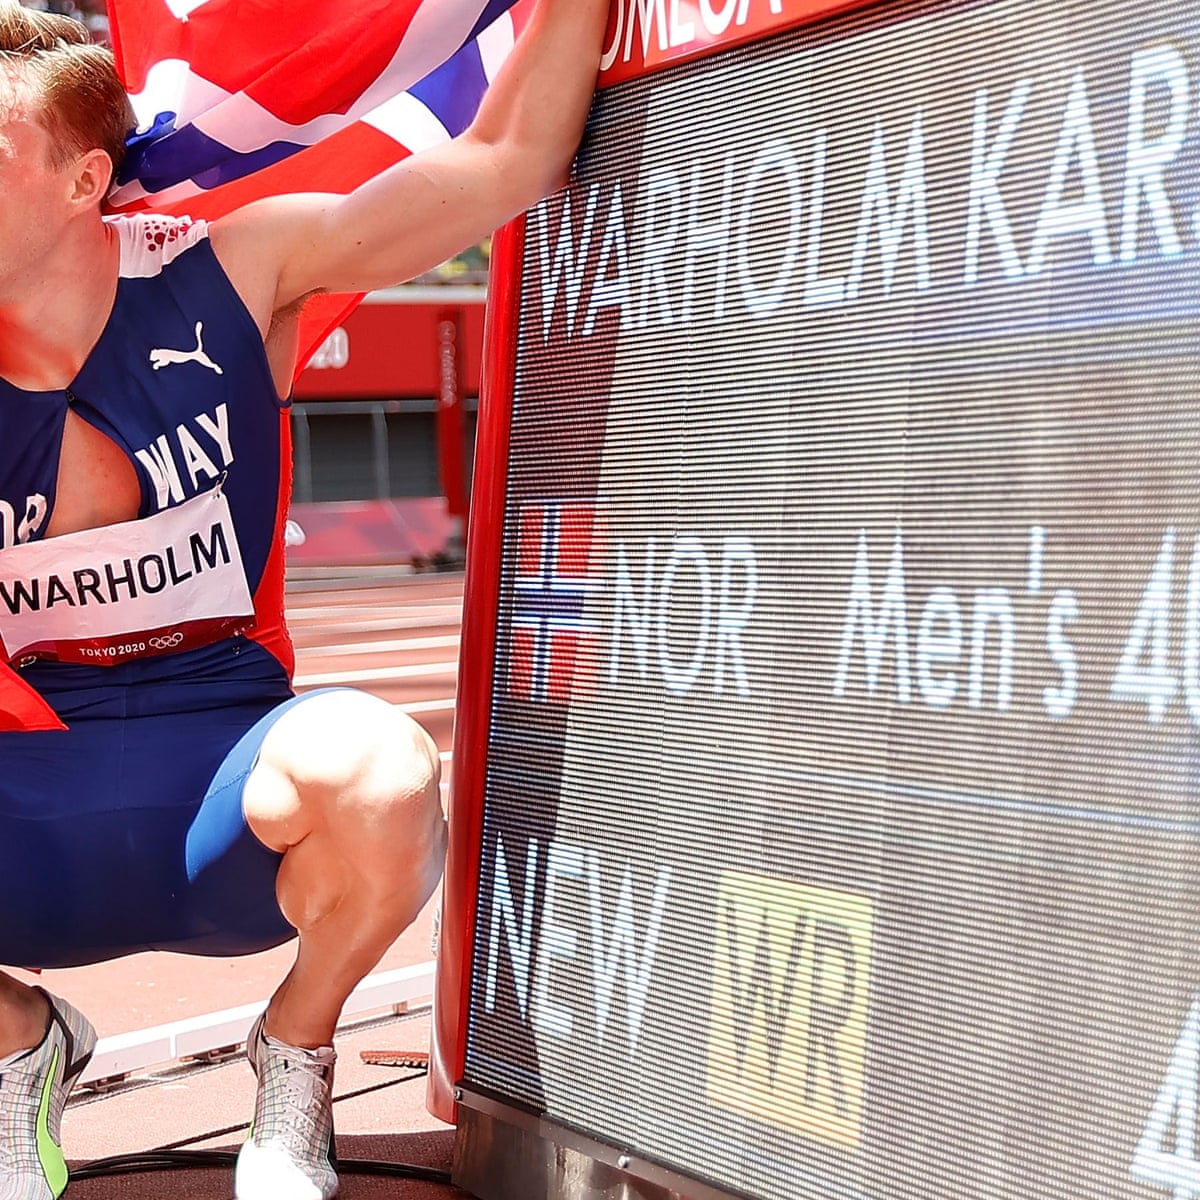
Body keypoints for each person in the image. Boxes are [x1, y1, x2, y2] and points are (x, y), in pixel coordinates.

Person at [0, 1, 610, 1197]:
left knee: (383, 771)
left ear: (82, 181)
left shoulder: (237, 268)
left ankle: (293, 1051)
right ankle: (21, 1046)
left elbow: (505, 161)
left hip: (226, 785)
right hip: (30, 793)